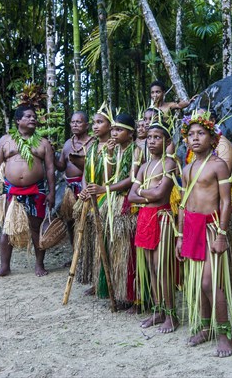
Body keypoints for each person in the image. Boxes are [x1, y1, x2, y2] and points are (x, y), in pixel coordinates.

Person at [176, 111, 232, 358]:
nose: (195, 138)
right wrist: (179, 236)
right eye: (191, 134)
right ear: (186, 140)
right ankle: (205, 327)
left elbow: (226, 202)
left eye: (201, 133)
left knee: (210, 281)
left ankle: (224, 333)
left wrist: (221, 233)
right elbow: (182, 202)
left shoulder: (218, 165)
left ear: (213, 138)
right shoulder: (188, 168)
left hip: (211, 227)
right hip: (190, 226)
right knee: (196, 282)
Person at [0, 103, 55, 277]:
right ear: (18, 120)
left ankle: (39, 265)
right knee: (7, 227)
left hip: (36, 190)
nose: (33, 119)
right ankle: (4, 266)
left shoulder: (43, 143)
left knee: (36, 227)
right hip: (12, 190)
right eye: (28, 116)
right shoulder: (6, 141)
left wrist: (52, 192)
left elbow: (49, 169)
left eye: (34, 117)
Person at [82, 113, 140, 307]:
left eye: (119, 129)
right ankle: (109, 285)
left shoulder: (136, 150)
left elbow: (131, 179)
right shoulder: (112, 150)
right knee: (106, 243)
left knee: (124, 247)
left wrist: (104, 190)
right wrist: (108, 156)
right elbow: (108, 176)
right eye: (113, 129)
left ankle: (129, 294)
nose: (114, 133)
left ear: (130, 134)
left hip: (125, 200)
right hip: (108, 198)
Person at [129, 119, 178, 333]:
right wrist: (146, 195)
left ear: (166, 141)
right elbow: (131, 196)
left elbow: (161, 194)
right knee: (150, 267)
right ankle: (158, 311)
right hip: (145, 219)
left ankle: (171, 314)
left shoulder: (170, 164)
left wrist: (142, 193)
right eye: (149, 137)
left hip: (162, 218)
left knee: (162, 268)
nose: (151, 141)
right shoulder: (144, 167)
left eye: (157, 137)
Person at [75, 108, 112, 292]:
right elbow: (85, 172)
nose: (96, 126)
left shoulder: (114, 147)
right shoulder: (91, 147)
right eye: (94, 122)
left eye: (100, 122)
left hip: (107, 197)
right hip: (91, 196)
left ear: (110, 125)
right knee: (92, 241)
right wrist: (84, 190)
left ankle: (107, 282)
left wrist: (101, 190)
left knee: (106, 241)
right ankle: (96, 281)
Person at [55, 111, 92, 239]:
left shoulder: (93, 143)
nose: (75, 124)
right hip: (69, 189)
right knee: (70, 220)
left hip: (85, 187)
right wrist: (51, 155)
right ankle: (75, 254)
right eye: (73, 122)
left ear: (87, 125)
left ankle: (86, 255)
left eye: (79, 122)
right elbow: (62, 166)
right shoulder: (67, 143)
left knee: (85, 221)